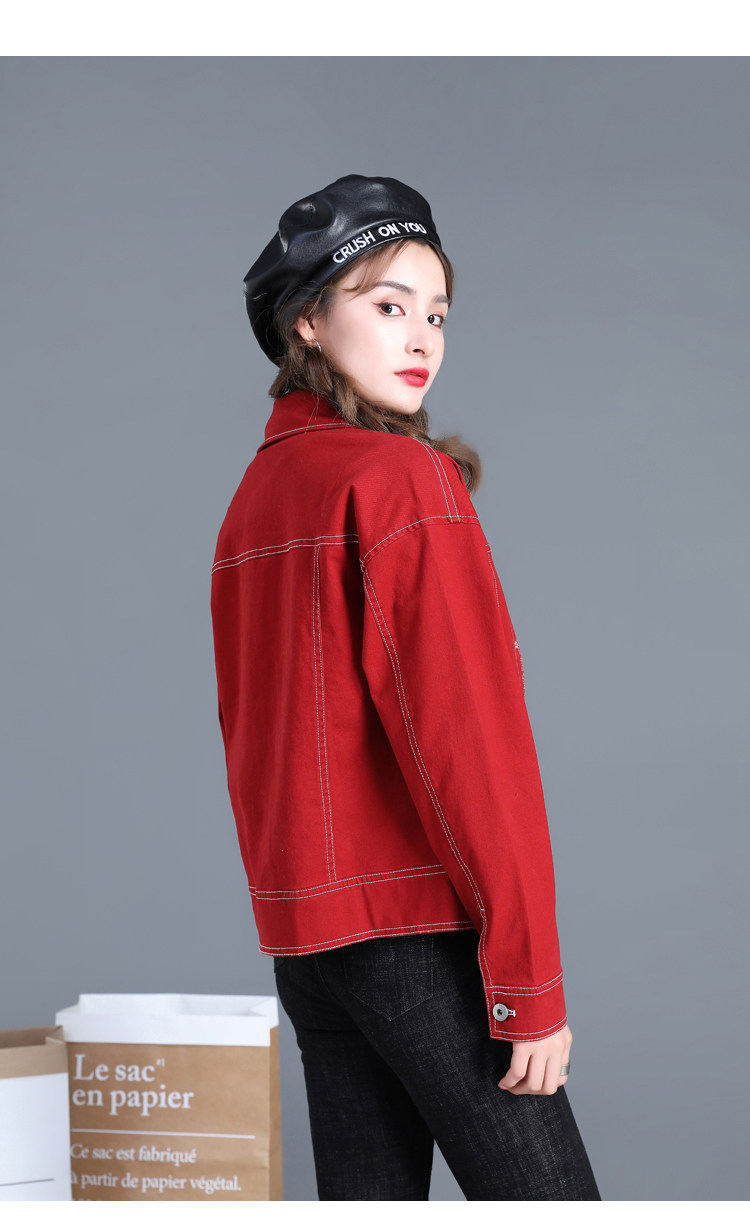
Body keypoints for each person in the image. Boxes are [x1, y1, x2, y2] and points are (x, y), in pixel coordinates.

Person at [210, 174, 601, 1201]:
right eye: (388, 305)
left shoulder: (255, 501)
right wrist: (528, 984)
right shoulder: (399, 481)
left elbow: (253, 737)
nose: (422, 336)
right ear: (307, 321)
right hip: (417, 935)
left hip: (310, 946)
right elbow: (468, 745)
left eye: (436, 313)